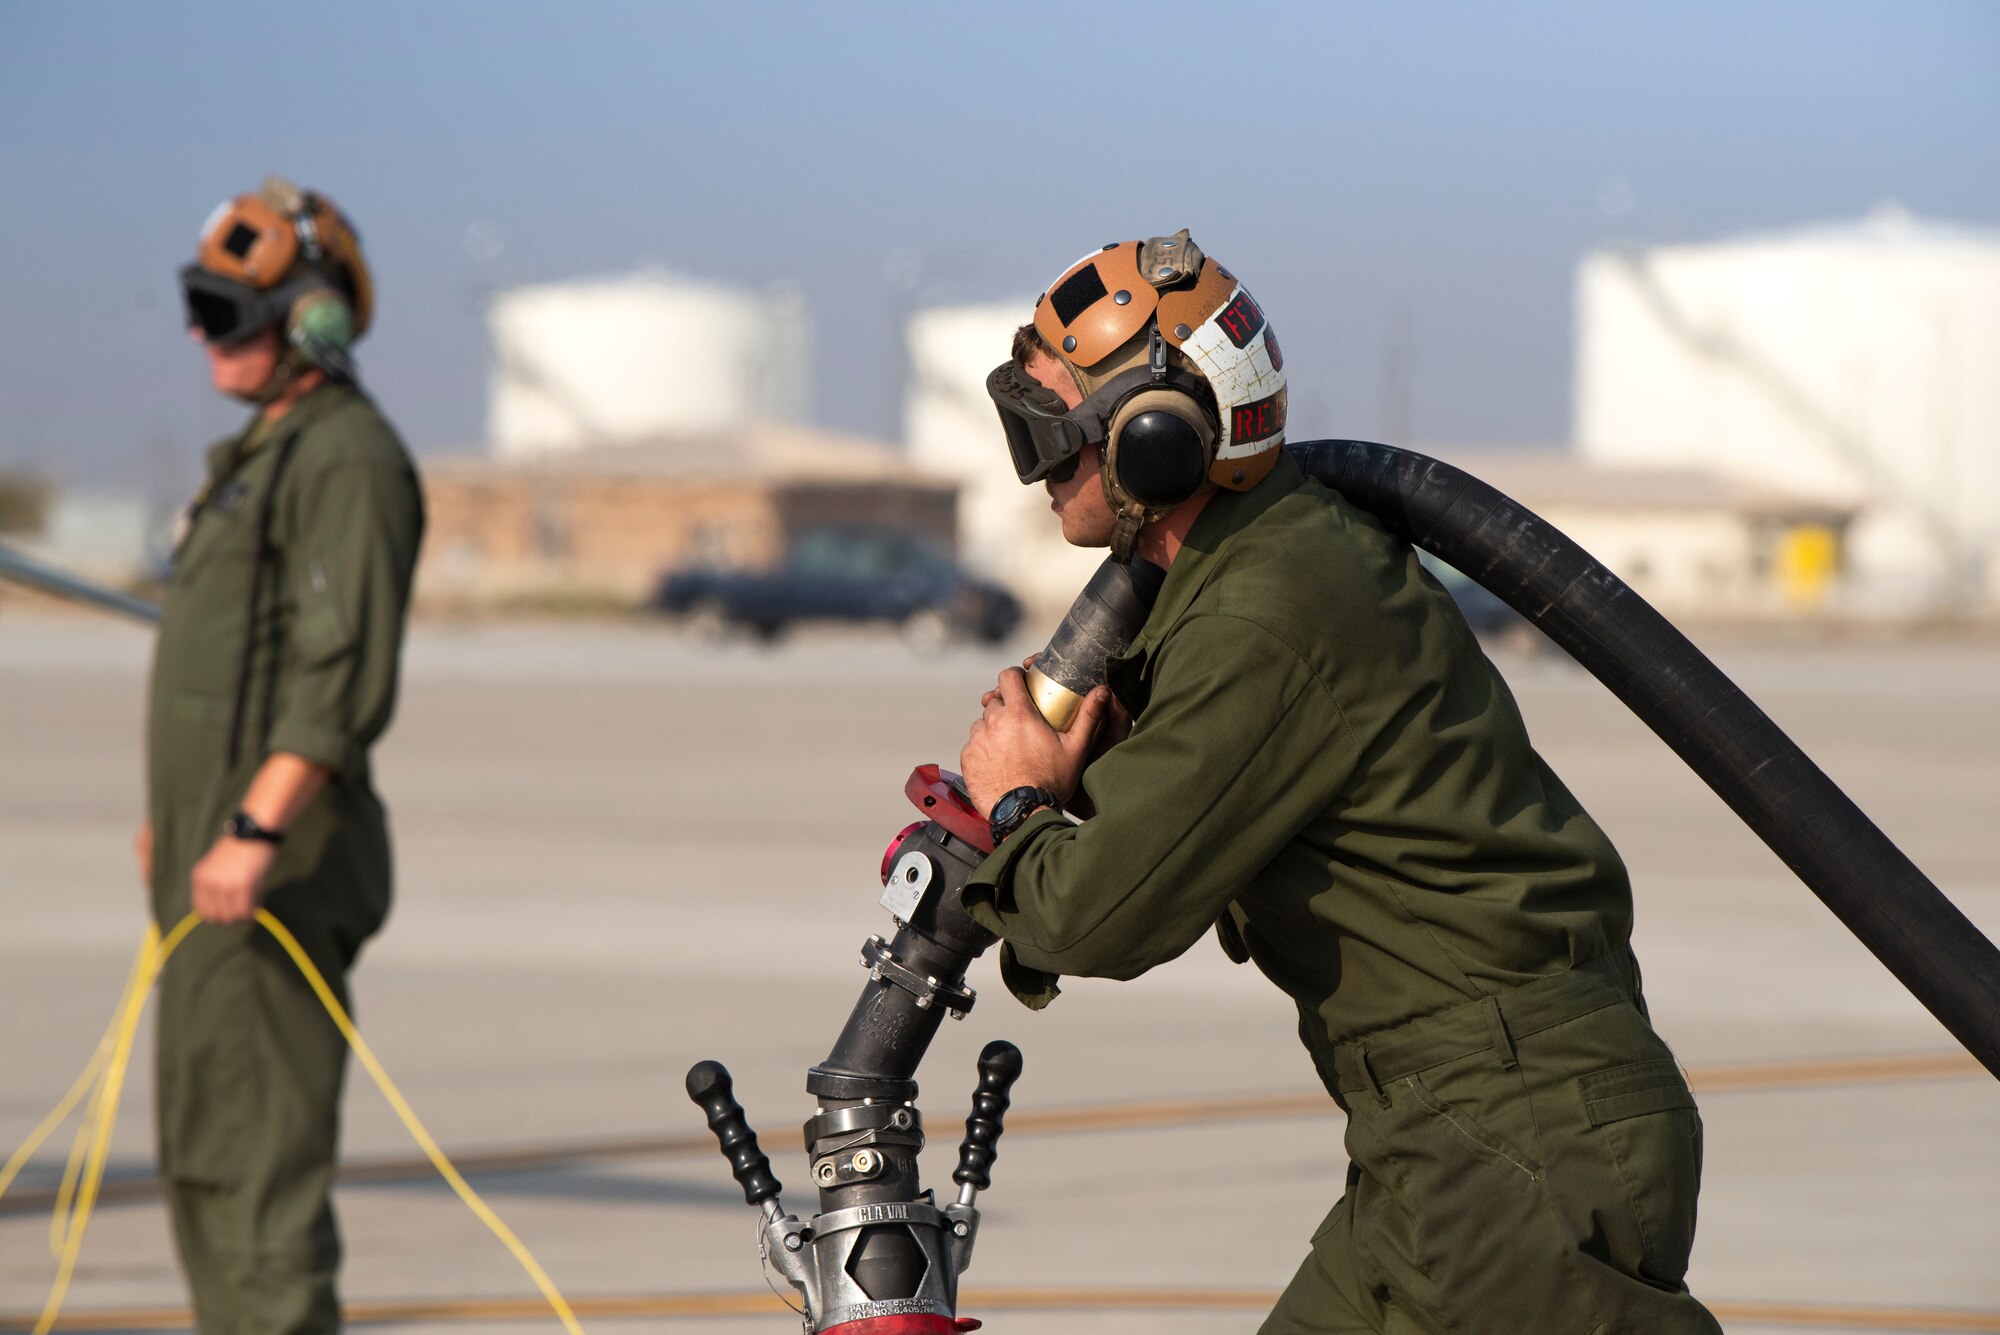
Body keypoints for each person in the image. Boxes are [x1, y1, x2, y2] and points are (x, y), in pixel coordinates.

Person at [960, 231, 1719, 1334]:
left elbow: (1100, 916)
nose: (1035, 471)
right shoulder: (1270, 560)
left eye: (1048, 436)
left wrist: (1016, 802)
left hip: (1510, 1147)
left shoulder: (1264, 610)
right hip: (1452, 1140)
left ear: (1153, 446)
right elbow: (1241, 808)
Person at [135, 177, 424, 1333]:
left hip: (275, 873)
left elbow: (336, 669)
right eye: (199, 308)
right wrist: (183, 818)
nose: (206, 336)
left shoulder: (344, 456)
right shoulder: (259, 450)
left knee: (258, 1189)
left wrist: (254, 823)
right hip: (211, 867)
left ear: (313, 318)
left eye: (229, 312)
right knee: (205, 1162)